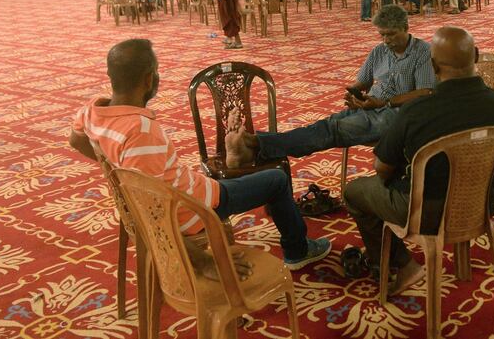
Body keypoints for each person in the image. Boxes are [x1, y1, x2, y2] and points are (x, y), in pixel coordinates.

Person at [68, 39, 330, 272]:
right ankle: (298, 251)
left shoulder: (92, 110)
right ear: (149, 80)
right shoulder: (141, 131)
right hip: (197, 207)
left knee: (246, 181)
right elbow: (154, 212)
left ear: (112, 77)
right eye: (156, 73)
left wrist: (115, 168)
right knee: (276, 180)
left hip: (188, 188)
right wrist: (205, 263)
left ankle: (235, 160)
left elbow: (76, 140)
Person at [343, 27, 494, 291]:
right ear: (475, 55)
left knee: (355, 192)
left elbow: (381, 169)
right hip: (482, 204)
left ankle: (403, 264)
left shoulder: (417, 111)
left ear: (432, 65)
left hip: (425, 213)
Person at [223, 5, 435, 165]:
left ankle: (254, 144)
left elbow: (425, 92)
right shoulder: (380, 51)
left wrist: (384, 102)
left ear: (406, 28)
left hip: (397, 115)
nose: (386, 40)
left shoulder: (421, 51)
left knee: (333, 129)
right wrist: (354, 93)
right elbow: (362, 82)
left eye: (391, 34)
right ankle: (253, 146)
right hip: (370, 107)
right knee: (326, 125)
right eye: (382, 34)